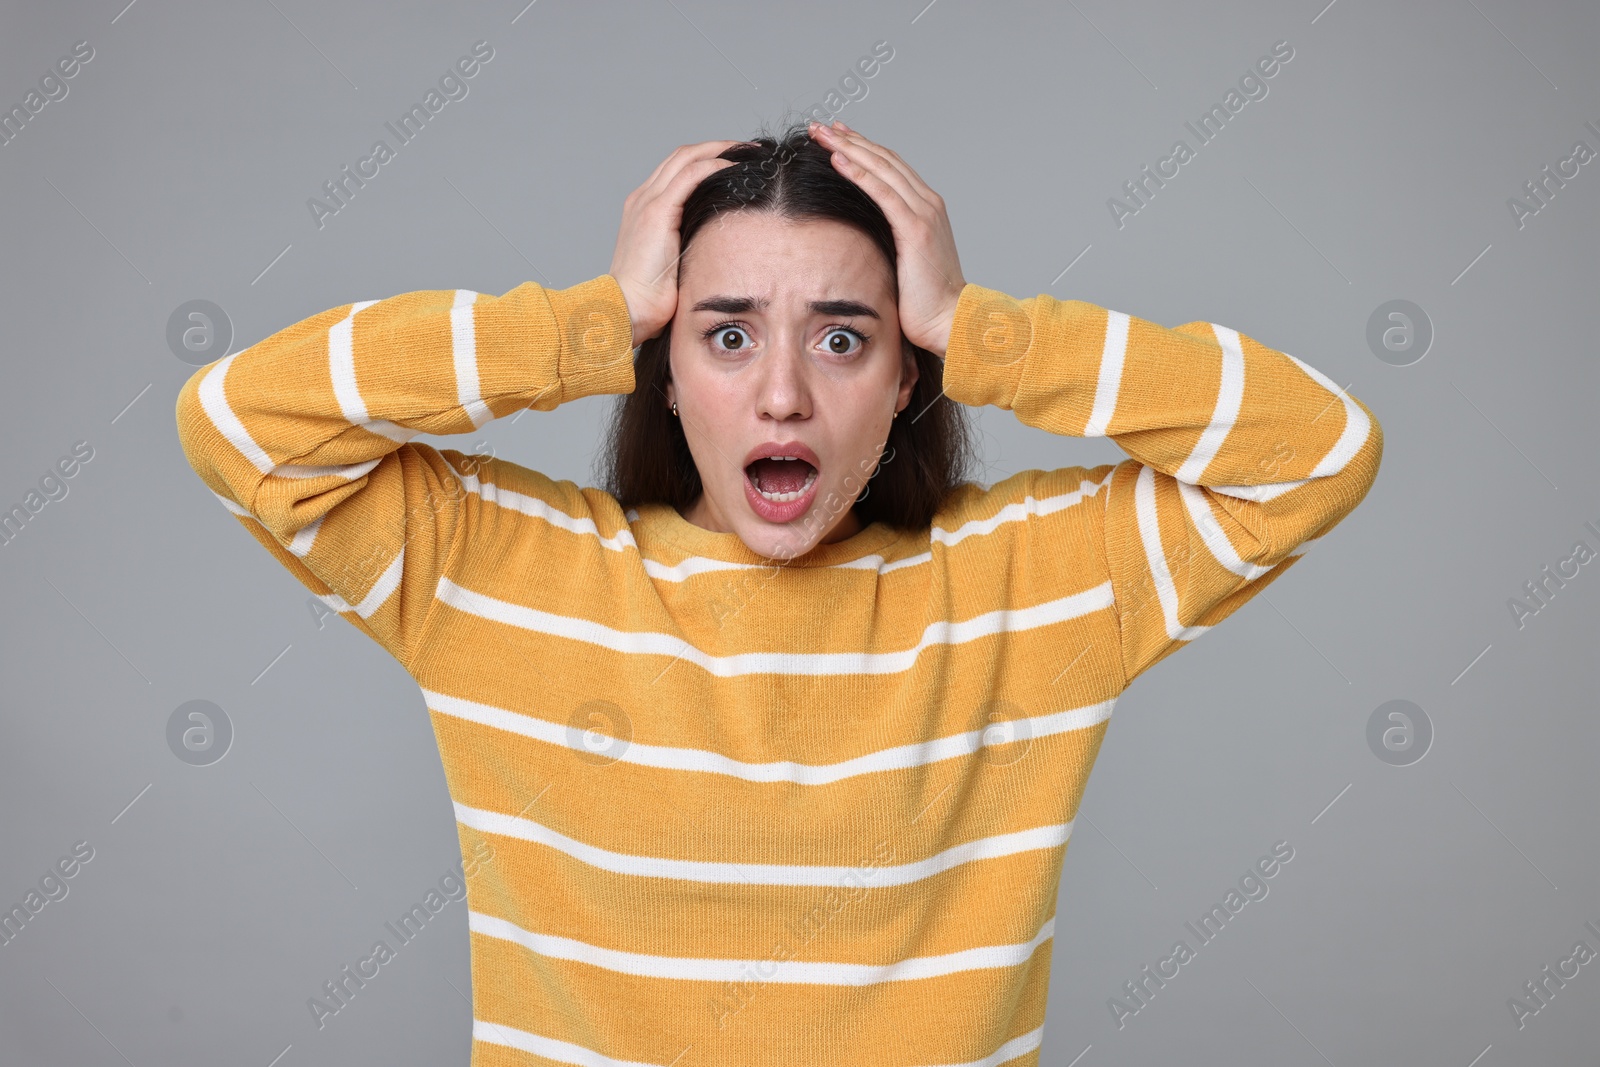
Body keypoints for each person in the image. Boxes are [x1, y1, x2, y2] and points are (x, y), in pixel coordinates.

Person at [175, 119, 1382, 1066]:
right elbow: (238, 422)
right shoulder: (500, 572)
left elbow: (1317, 449)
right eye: (729, 334)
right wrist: (586, 322)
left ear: (911, 375)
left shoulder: (1028, 584)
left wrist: (984, 328)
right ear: (664, 369)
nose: (784, 396)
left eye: (845, 337)